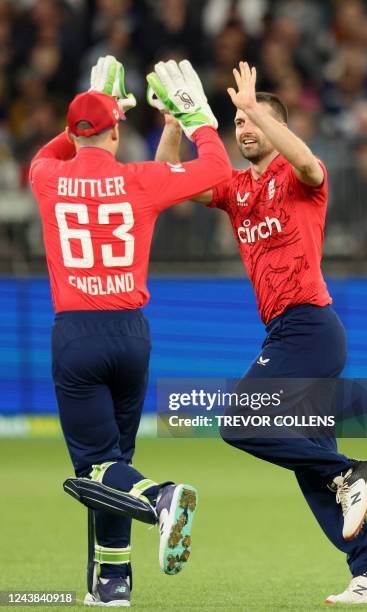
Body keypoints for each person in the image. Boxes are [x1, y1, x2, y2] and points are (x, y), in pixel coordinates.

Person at [152, 61, 367, 605]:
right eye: (238, 122)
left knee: (240, 423)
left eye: (254, 121)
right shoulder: (236, 188)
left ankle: (350, 470)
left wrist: (259, 114)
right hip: (288, 332)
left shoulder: (300, 178)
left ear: (277, 129)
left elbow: (307, 161)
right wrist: (175, 120)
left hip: (309, 327)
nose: (243, 130)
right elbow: (168, 181)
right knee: (308, 464)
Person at [29, 56, 231, 607]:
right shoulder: (137, 180)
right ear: (119, 132)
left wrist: (99, 104)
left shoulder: (48, 177)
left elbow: (49, 152)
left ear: (74, 133)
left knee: (97, 468)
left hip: (77, 334)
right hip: (131, 335)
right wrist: (197, 120)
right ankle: (111, 583)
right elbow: (215, 170)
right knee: (115, 459)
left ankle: (161, 498)